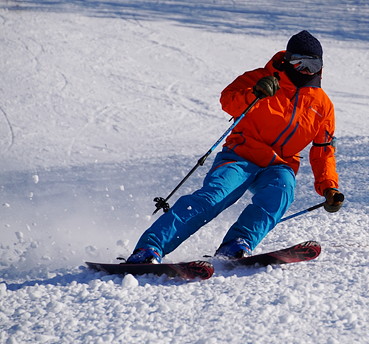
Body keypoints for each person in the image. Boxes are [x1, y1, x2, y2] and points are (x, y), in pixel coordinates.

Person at [126, 30, 344, 264]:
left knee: (281, 192)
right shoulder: (262, 79)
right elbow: (227, 100)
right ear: (287, 60)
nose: (306, 71)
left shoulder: (322, 105)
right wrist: (254, 93)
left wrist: (329, 187)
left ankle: (237, 244)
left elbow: (323, 151)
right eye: (299, 63)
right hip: (241, 155)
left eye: (313, 64)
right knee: (214, 197)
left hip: (279, 165)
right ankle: (150, 248)